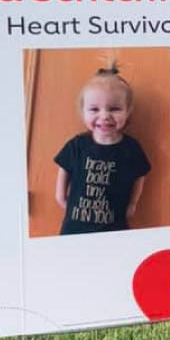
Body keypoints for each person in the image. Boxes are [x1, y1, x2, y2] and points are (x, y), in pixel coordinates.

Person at [54, 62, 151, 235]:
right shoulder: (77, 145)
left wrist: (133, 203)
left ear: (128, 111)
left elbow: (140, 175)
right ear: (83, 111)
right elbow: (64, 168)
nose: (105, 116)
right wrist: (60, 196)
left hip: (115, 229)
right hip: (74, 229)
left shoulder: (131, 149)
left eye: (114, 109)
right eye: (94, 109)